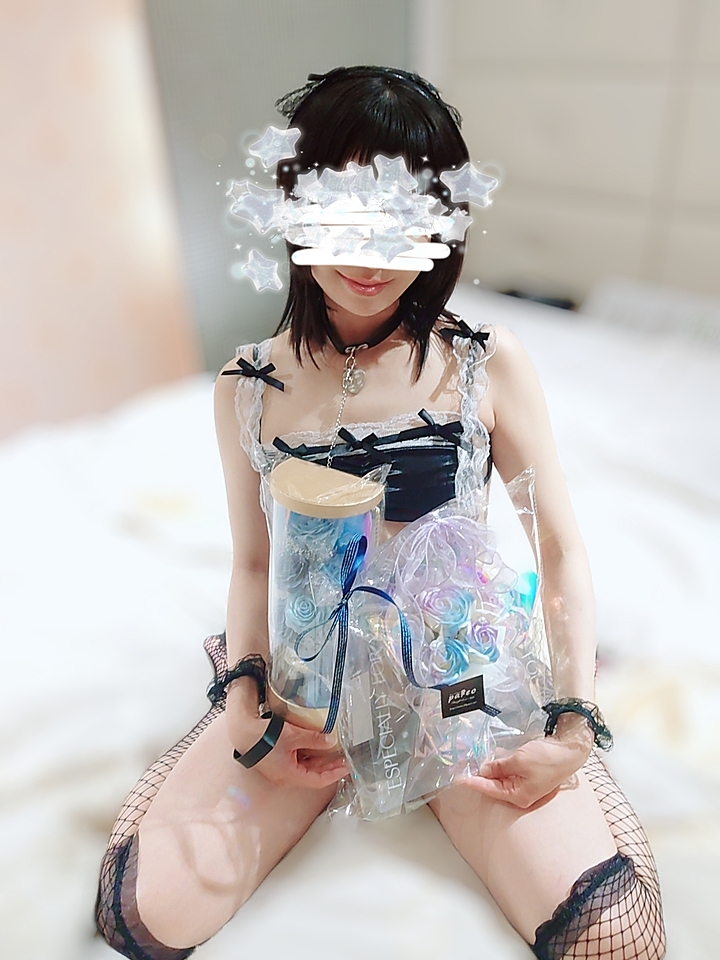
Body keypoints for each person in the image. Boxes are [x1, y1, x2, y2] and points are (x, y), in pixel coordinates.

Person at [96, 66, 666, 960]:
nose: (370, 256)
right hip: (309, 686)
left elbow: (559, 546)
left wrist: (572, 724)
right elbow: (254, 563)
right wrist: (245, 703)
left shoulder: (485, 363)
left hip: (457, 679)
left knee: (614, 939)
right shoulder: (249, 384)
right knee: (146, 916)